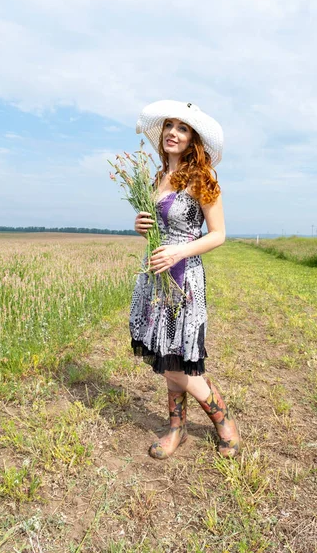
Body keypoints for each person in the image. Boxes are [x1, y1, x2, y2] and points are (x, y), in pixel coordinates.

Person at [130, 100, 240, 460]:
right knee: (167, 354)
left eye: (182, 128)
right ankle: (176, 428)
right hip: (156, 276)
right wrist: (142, 228)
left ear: (193, 139)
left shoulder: (201, 178)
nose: (172, 133)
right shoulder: (157, 177)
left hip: (183, 277)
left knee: (178, 363)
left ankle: (223, 420)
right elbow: (159, 231)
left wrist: (179, 252)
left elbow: (219, 233)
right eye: (169, 126)